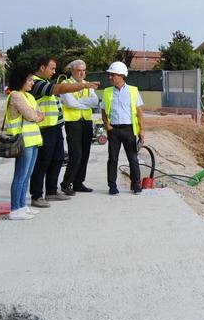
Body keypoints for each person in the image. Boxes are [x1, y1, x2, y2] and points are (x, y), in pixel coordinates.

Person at [29, 57, 99, 208]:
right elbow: (62, 93)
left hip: (55, 126)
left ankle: (52, 192)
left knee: (57, 159)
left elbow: (94, 102)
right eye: (52, 68)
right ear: (42, 67)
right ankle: (36, 195)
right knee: (43, 162)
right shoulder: (36, 82)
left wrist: (82, 97)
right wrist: (85, 86)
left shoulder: (46, 82)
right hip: (45, 127)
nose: (54, 72)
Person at [5, 71, 45, 220]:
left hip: (33, 140)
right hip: (23, 141)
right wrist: (36, 115)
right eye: (29, 80)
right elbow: (33, 116)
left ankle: (22, 206)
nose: (32, 83)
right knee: (20, 176)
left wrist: (37, 115)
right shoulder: (15, 95)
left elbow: (41, 115)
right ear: (21, 80)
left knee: (27, 175)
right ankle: (15, 209)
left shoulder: (29, 96)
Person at [101, 61, 144, 195]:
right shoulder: (107, 92)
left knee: (133, 158)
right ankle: (112, 186)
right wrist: (106, 124)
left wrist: (141, 129)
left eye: (112, 75)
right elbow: (103, 110)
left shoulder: (133, 90)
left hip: (129, 130)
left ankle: (136, 185)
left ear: (121, 75)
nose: (110, 77)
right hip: (113, 130)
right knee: (112, 159)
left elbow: (139, 112)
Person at [60, 60, 99, 195]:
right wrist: (84, 103)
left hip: (86, 122)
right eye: (79, 70)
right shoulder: (65, 85)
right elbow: (69, 103)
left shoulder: (87, 84)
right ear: (72, 71)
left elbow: (94, 102)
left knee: (85, 153)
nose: (82, 73)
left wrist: (79, 103)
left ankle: (78, 182)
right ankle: (66, 183)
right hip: (73, 122)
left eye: (84, 70)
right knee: (75, 154)